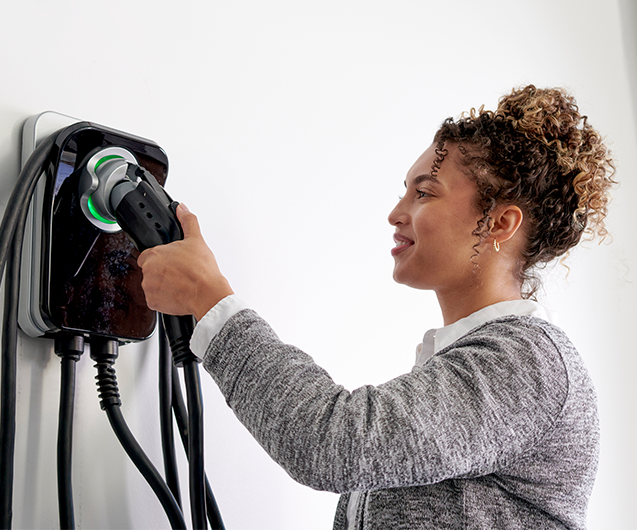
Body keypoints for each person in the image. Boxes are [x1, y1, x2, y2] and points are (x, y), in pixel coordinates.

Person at [137, 85, 616, 529]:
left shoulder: (528, 364)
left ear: (498, 223)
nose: (396, 212)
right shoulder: (472, 365)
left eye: (424, 192)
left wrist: (211, 300)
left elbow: (331, 443)